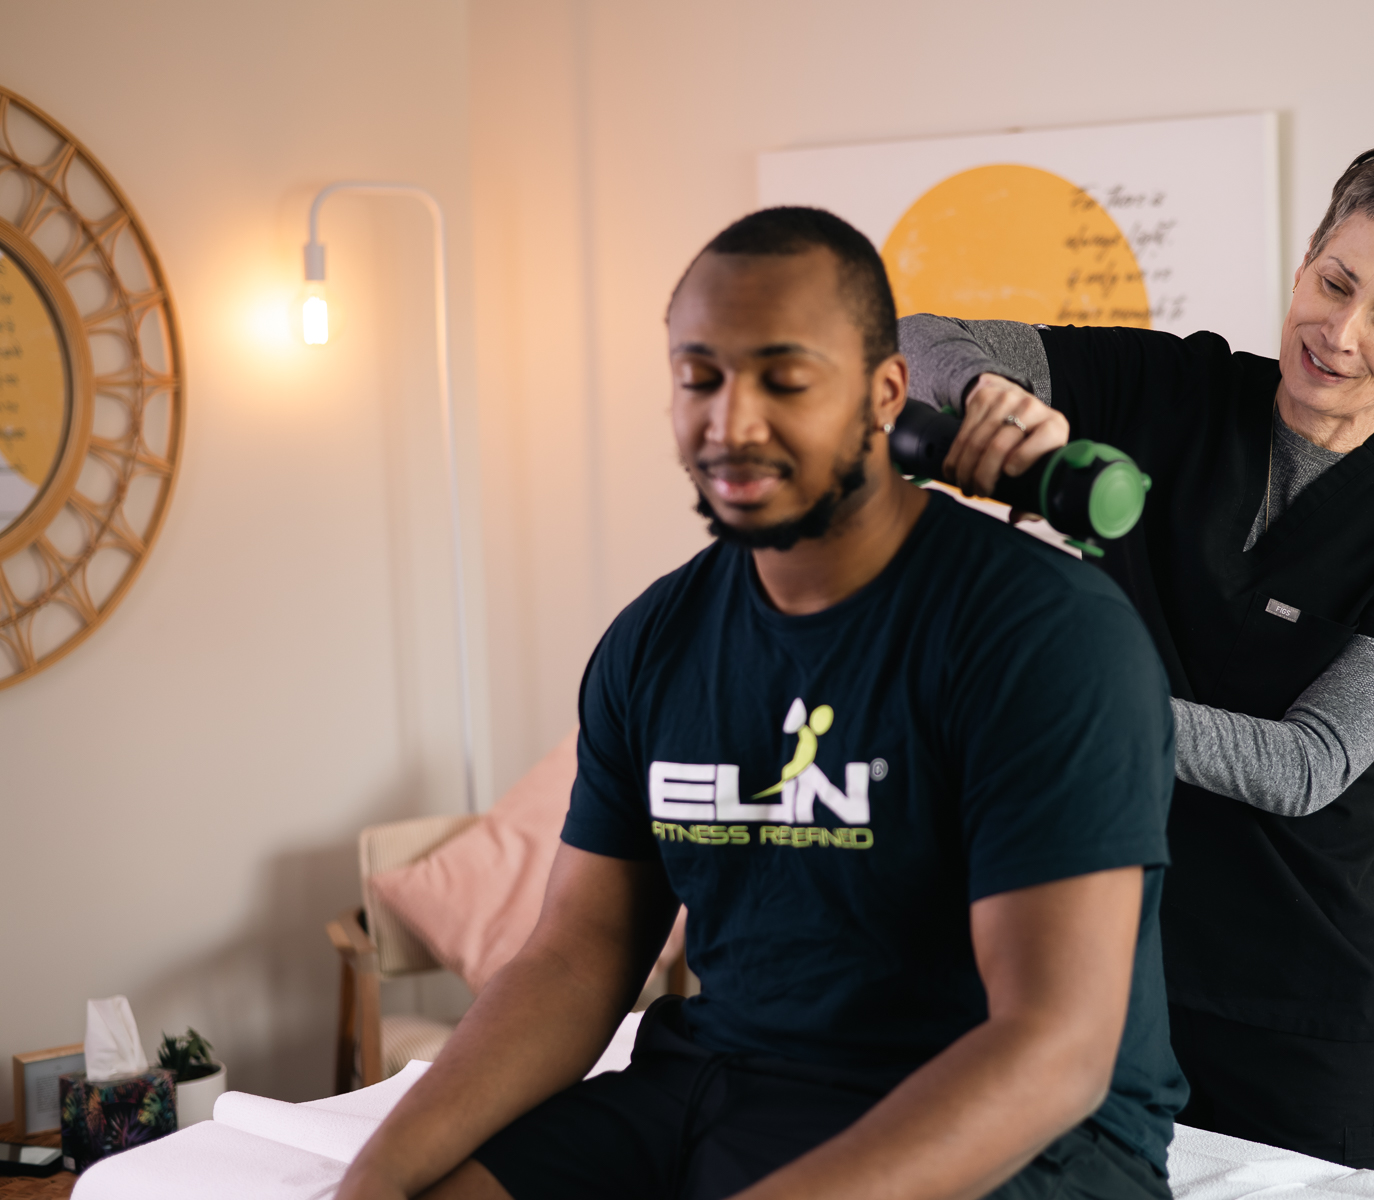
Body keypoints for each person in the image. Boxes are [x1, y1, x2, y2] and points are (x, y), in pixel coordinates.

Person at [334, 206, 1187, 1200]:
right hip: (723, 1081)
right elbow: (575, 959)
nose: (731, 422)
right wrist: (370, 1184)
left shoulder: (1045, 636)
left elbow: (1052, 1049)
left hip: (1024, 1130)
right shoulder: (654, 643)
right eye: (700, 377)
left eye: (784, 380)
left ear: (885, 393)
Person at [899, 141, 1374, 1174]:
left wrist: (1073, 703)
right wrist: (989, 399)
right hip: (1097, 975)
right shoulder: (1167, 388)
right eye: (1335, 283)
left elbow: (1308, 764)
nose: (1340, 333)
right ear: (1306, 262)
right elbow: (916, 339)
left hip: (1303, 1007)